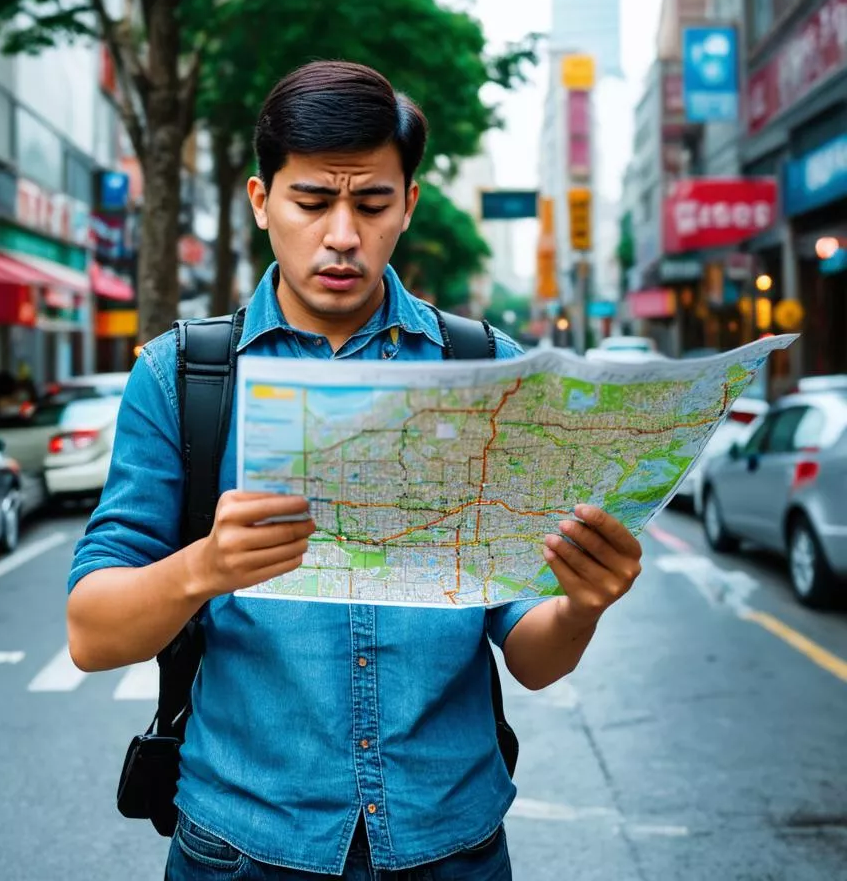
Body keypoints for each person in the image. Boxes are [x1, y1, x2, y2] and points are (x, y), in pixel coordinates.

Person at [67, 61, 643, 880]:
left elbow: (532, 655)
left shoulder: (487, 371)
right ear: (262, 202)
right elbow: (91, 633)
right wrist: (207, 566)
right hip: (241, 847)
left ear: (407, 204)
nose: (343, 234)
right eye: (312, 202)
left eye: (371, 203)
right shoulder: (182, 377)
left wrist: (583, 605)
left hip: (453, 846)